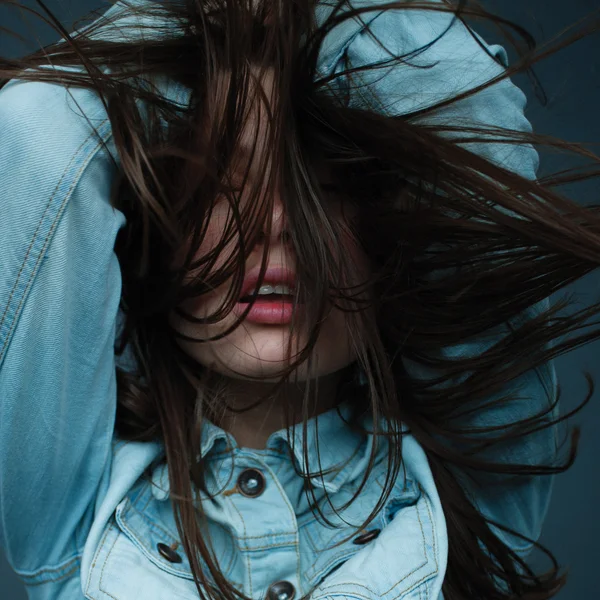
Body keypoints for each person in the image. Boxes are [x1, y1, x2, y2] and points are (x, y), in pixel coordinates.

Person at [0, 0, 599, 599]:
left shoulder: (465, 507)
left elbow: (464, 100)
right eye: (219, 190)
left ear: (397, 242)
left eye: (330, 191)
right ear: (151, 231)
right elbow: (37, 126)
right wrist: (201, 22)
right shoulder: (74, 519)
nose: (278, 224)